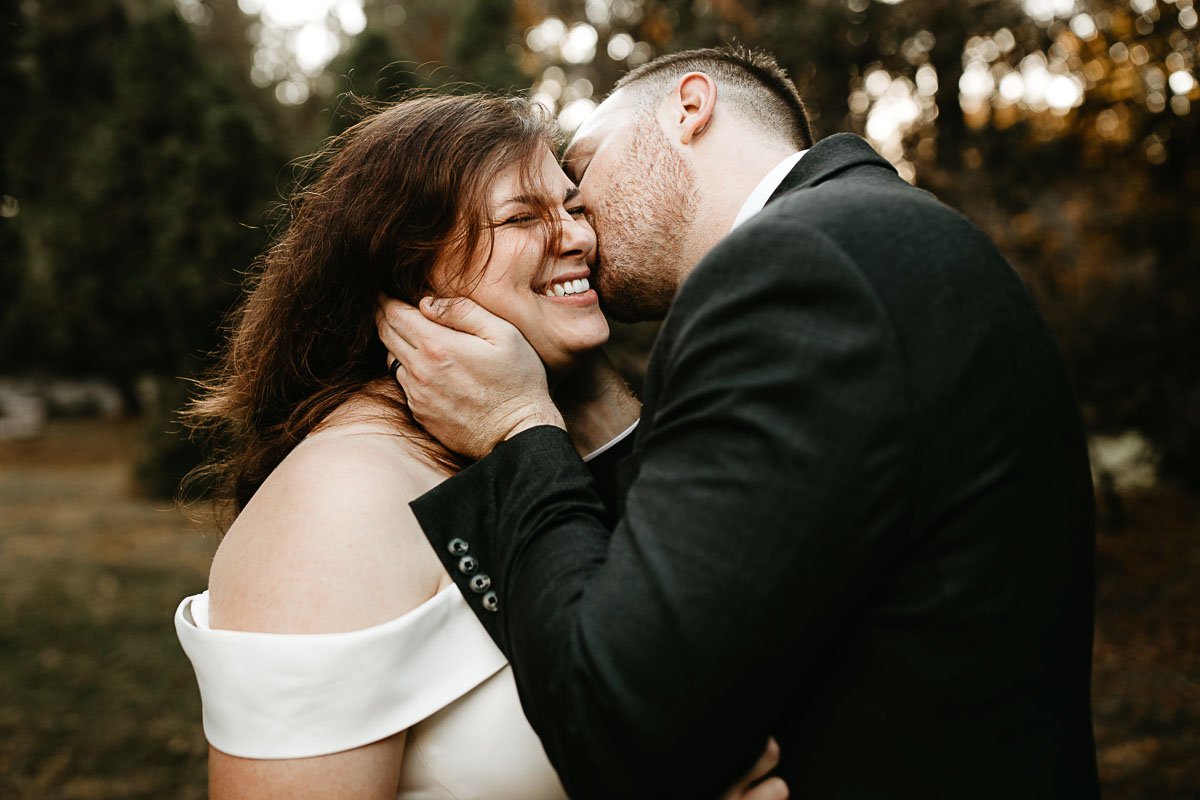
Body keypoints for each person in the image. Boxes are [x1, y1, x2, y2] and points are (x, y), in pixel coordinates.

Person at [377, 47, 1101, 798]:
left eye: (582, 172)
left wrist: (520, 427)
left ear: (689, 108)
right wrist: (589, 403)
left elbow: (618, 722)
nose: (579, 226)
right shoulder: (883, 237)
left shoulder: (796, 268)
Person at [173, 93, 784, 800]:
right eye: (523, 217)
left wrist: (583, 393)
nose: (580, 238)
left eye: (575, 207)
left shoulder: (543, 444)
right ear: (414, 273)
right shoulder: (338, 499)